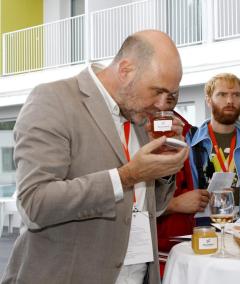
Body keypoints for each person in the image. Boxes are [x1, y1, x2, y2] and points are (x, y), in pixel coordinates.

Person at [1, 30, 189, 284]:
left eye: (171, 96)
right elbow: (34, 205)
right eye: (157, 91)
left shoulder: (139, 115)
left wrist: (164, 168)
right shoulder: (53, 100)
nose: (162, 105)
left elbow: (151, 205)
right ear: (126, 71)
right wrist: (127, 177)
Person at [189, 73, 240, 228]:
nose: (230, 101)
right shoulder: (191, 144)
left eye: (236, 95)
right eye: (222, 94)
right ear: (208, 100)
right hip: (201, 233)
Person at [154, 92, 210, 277]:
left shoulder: (188, 129)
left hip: (186, 247)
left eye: (174, 86)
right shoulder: (136, 128)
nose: (170, 92)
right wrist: (175, 204)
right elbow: (126, 197)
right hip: (154, 255)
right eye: (160, 87)